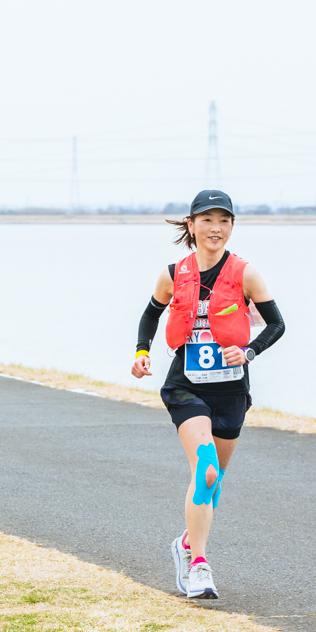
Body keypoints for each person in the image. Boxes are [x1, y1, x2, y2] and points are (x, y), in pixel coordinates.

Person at [131, 189, 285, 601]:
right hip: (185, 386)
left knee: (214, 484)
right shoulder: (172, 273)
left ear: (232, 226)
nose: (215, 229)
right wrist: (142, 353)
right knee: (206, 469)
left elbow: (276, 325)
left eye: (224, 221)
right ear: (191, 225)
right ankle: (198, 564)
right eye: (207, 220)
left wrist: (249, 350)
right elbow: (151, 313)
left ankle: (185, 541)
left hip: (232, 390)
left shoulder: (246, 274)